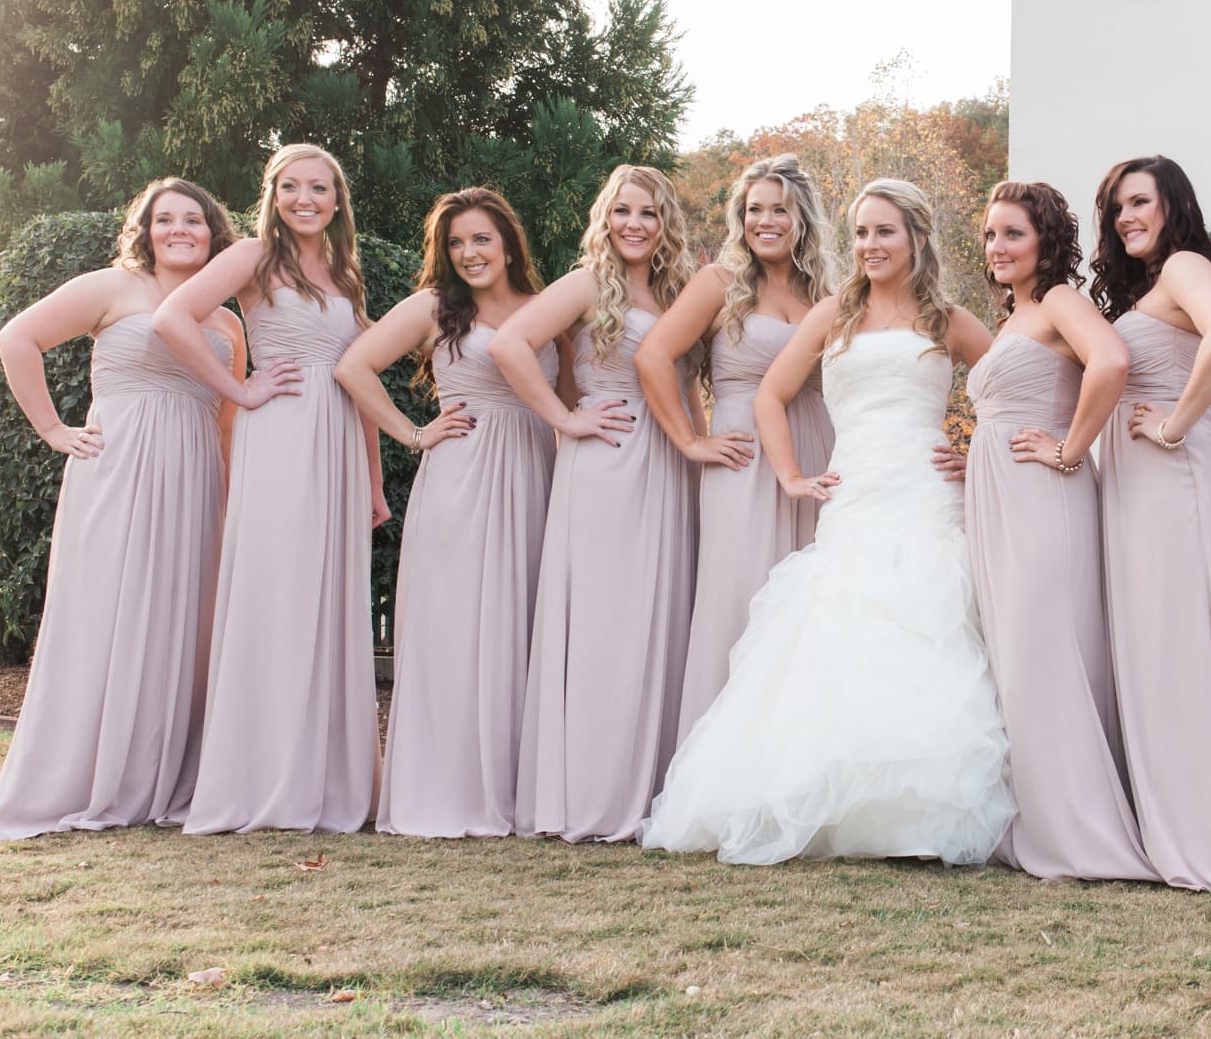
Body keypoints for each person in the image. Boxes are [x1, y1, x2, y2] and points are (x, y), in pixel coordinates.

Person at [641, 178, 1015, 865]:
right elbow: (770, 397)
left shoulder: (948, 319)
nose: (870, 245)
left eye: (884, 231)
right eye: (861, 234)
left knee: (931, 624)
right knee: (846, 627)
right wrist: (789, 476)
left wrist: (976, 453)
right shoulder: (834, 314)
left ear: (918, 239)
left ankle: (921, 814)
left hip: (927, 491)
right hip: (856, 490)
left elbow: (1011, 384)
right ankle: (841, 801)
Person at [0, 179, 257, 838]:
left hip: (196, 478)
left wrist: (230, 493)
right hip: (119, 469)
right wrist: (52, 430)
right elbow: (17, 339)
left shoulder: (225, 322)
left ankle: (163, 776)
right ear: (146, 229)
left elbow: (225, 418)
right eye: (166, 220)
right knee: (106, 609)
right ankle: (85, 775)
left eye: (194, 219)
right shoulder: (111, 288)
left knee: (181, 619)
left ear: (214, 232)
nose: (181, 229)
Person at [158, 143, 387, 835]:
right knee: (279, 590)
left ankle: (325, 779)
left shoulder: (345, 270)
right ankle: (261, 777)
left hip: (341, 441)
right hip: (281, 433)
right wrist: (237, 386)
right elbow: (173, 318)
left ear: (338, 198)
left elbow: (358, 372)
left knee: (328, 596)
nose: (305, 199)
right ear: (273, 193)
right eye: (291, 187)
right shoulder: (255, 255)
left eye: (319, 187)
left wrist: (374, 483)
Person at [334, 187, 567, 838]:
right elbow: (354, 367)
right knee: (457, 627)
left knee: (522, 624)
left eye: (481, 239)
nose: (469, 253)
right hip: (461, 481)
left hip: (535, 475)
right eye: (456, 242)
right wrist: (413, 433)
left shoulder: (545, 309)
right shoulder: (435, 307)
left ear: (508, 242)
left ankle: (521, 785)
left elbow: (570, 391)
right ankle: (449, 789)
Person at [493, 164, 700, 843]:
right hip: (607, 463)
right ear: (604, 219)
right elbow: (509, 343)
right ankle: (588, 793)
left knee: (659, 619)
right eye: (622, 211)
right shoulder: (586, 284)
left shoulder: (681, 292)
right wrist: (566, 416)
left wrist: (698, 447)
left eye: (648, 213)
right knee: (605, 624)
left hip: (671, 462)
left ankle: (651, 787)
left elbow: (688, 384)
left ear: (666, 221)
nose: (635, 225)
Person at [964, 179, 1153, 882]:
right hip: (996, 495)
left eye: (1013, 232)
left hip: (1045, 495)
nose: (997, 246)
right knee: (1012, 652)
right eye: (990, 234)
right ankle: (1032, 815)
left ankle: (1076, 828)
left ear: (1045, 239)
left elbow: (1112, 361)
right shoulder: (1013, 319)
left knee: (1045, 649)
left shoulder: (1059, 302)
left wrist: (1071, 448)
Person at [1091, 156, 1211, 893]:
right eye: (1115, 208)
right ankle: (1173, 825)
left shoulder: (1188, 266)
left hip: (1179, 479)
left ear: (1174, 205)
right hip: (1144, 485)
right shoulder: (1152, 285)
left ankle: (1202, 839)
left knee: (1179, 651)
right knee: (1157, 649)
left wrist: (1174, 426)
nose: (1126, 217)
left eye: (1139, 202)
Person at [636, 155, 838, 742]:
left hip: (816, 451)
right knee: (741, 596)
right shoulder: (719, 284)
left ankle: (796, 753)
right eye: (754, 210)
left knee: (811, 600)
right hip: (742, 456)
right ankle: (720, 758)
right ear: (740, 219)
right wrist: (690, 440)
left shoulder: (828, 294)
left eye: (780, 209)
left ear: (803, 218)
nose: (765, 220)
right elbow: (653, 356)